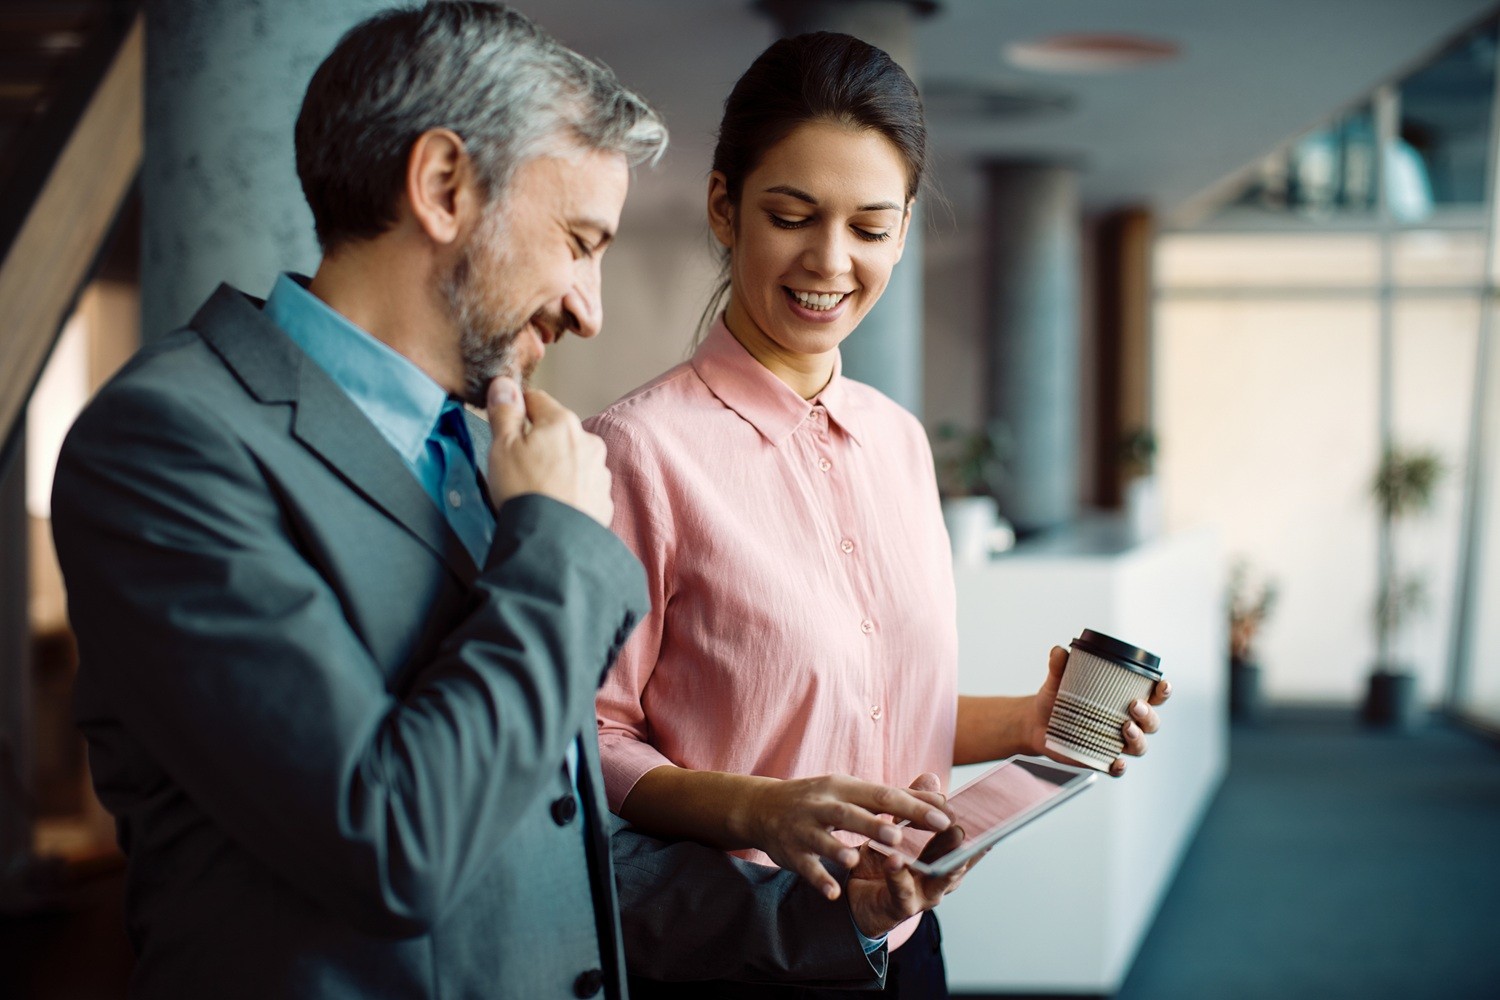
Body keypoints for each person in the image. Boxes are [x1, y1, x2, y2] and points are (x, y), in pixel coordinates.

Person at [50, 6, 959, 998]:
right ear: (444, 187)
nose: (589, 309)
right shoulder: (168, 446)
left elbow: (562, 847)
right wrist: (556, 542)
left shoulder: (490, 455)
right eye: (578, 240)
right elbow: (390, 842)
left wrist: (837, 919)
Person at [586, 32, 1171, 999]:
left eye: (869, 226)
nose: (830, 259)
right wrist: (758, 810)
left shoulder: (900, 442)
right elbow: (589, 740)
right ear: (724, 206)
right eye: (791, 216)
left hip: (901, 944)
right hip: (733, 953)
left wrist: (1029, 723)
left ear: (903, 232)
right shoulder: (636, 452)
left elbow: (876, 713)